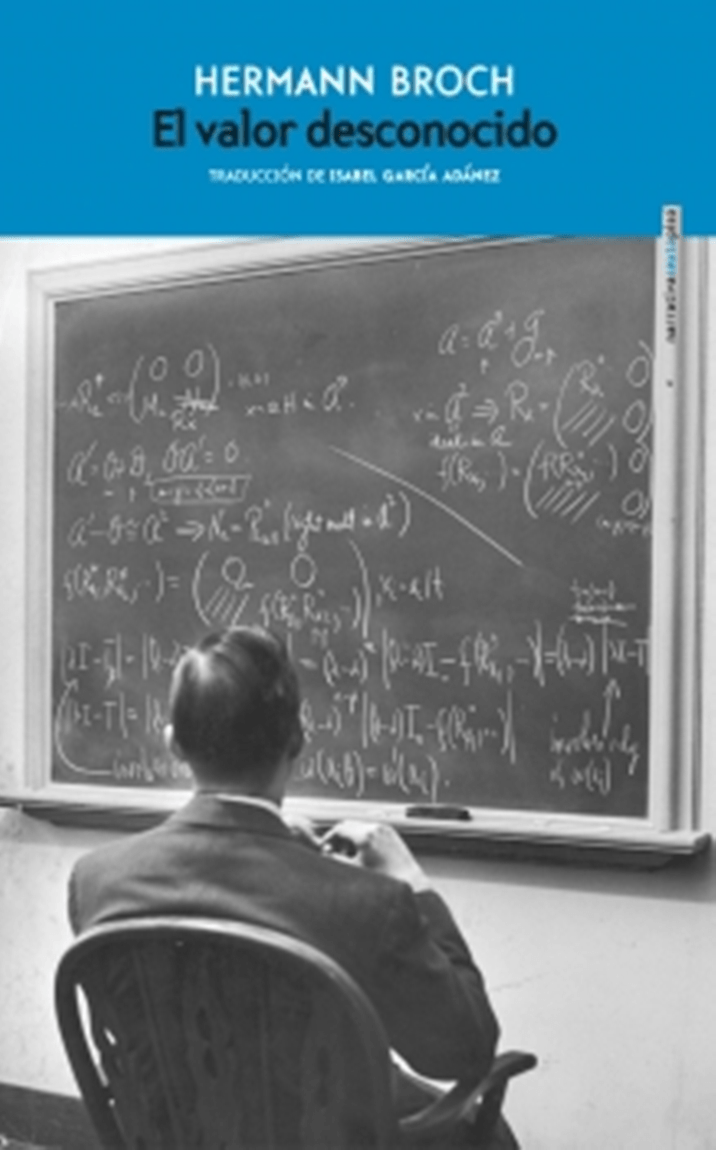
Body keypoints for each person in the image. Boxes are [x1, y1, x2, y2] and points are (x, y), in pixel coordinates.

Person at [69, 627, 517, 1148]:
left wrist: (277, 843)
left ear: (172, 743)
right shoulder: (364, 902)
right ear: (297, 741)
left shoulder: (96, 881)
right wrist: (413, 884)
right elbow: (465, 1050)